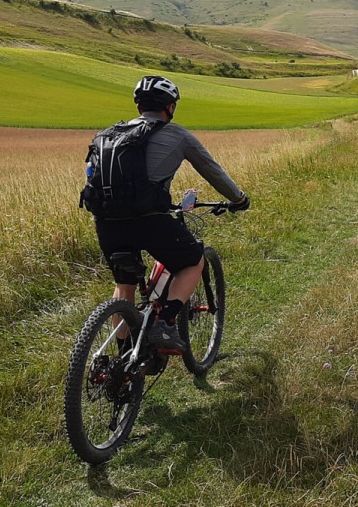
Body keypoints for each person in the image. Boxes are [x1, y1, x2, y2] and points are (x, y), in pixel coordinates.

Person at [90, 75, 249, 352]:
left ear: (139, 105)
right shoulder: (177, 135)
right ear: (170, 107)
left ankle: (120, 357)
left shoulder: (108, 135)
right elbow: (212, 171)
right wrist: (238, 199)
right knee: (192, 261)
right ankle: (163, 323)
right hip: (149, 221)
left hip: (107, 223)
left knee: (124, 285)